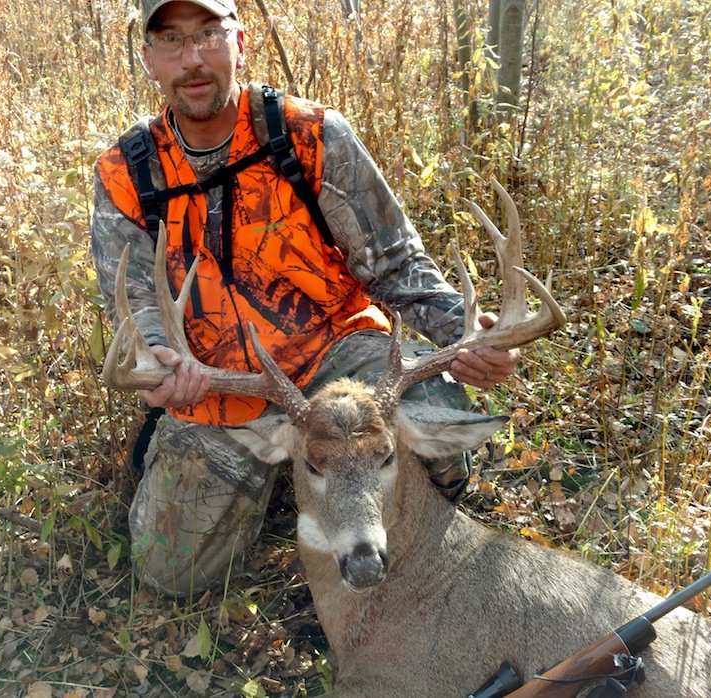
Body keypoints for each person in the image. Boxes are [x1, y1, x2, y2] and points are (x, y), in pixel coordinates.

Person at [90, 0, 520, 597]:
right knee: (173, 574)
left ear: (238, 41)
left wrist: (463, 333)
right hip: (218, 384)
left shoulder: (310, 135)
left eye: (209, 35)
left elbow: (393, 258)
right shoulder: (126, 172)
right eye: (172, 40)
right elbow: (133, 301)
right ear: (148, 59)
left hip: (337, 356)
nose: (193, 58)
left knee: (439, 439)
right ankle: (294, 475)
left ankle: (363, 503)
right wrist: (162, 361)